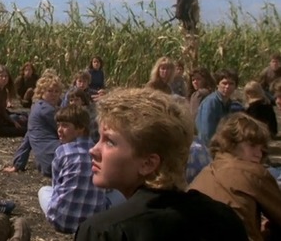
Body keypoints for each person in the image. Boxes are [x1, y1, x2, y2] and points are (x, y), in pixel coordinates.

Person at [74, 88, 247, 240]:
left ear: (148, 163)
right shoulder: (224, 218)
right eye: (99, 139)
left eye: (110, 142)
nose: (93, 150)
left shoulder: (105, 232)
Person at [189, 113, 281, 241]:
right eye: (252, 146)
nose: (258, 154)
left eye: (262, 149)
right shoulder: (252, 172)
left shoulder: (205, 173)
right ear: (231, 143)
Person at [38, 105, 108, 234]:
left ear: (80, 128)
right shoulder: (100, 152)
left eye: (65, 126)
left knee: (44, 190)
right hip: (92, 225)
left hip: (62, 221)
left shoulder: (63, 151)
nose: (59, 130)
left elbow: (56, 186)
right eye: (58, 125)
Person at [5, 75, 62, 176]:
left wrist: (18, 164)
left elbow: (28, 138)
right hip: (56, 159)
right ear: (41, 92)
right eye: (50, 91)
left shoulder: (36, 107)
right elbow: (70, 134)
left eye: (56, 91)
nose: (54, 94)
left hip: (46, 163)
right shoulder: (47, 110)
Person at [195, 68, 239, 145]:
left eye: (231, 84)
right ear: (218, 84)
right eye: (224, 83)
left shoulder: (229, 103)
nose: (227, 87)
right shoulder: (211, 103)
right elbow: (206, 133)